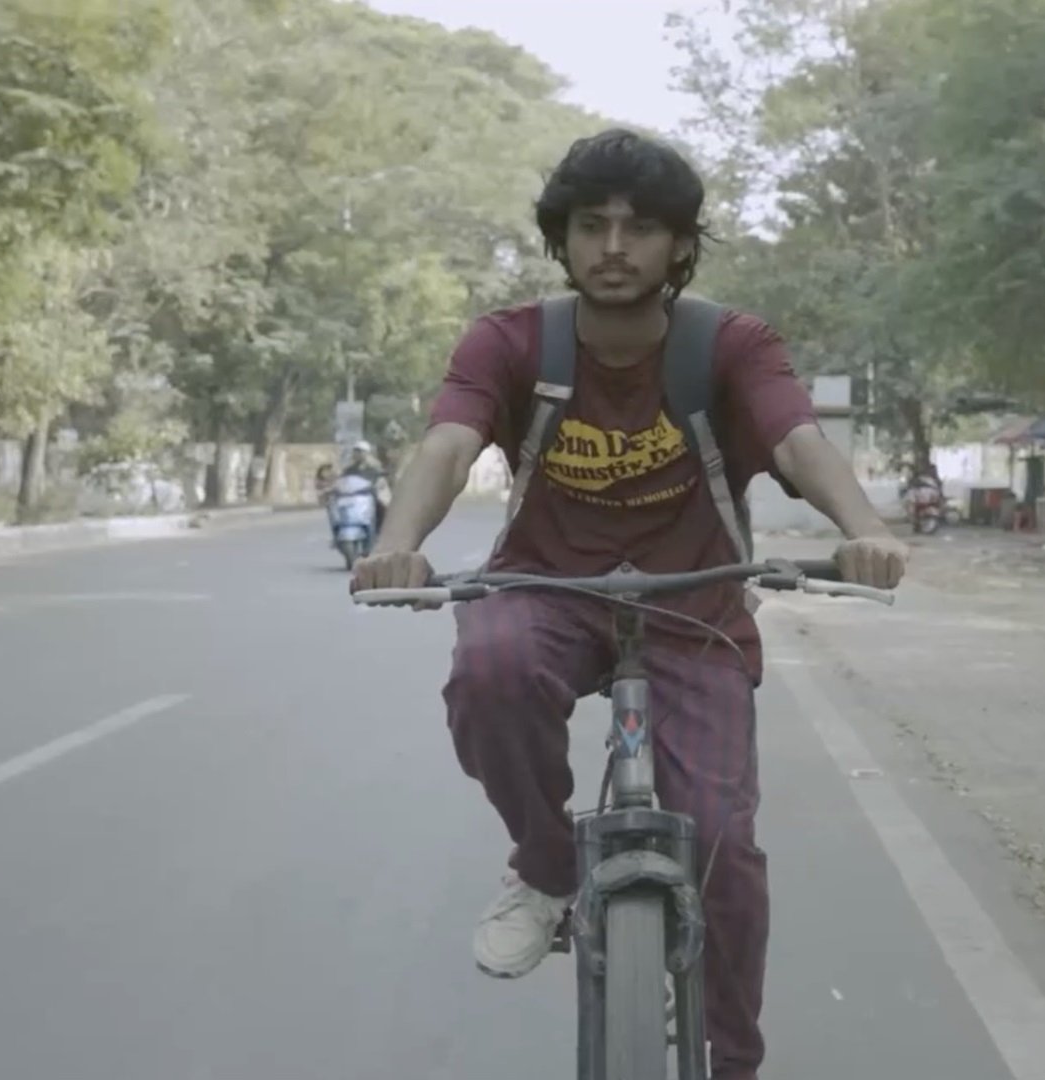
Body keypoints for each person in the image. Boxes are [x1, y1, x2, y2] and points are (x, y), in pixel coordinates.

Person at [349, 129, 908, 1080]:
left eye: (641, 227)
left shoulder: (731, 345)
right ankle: (546, 867)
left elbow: (798, 441)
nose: (614, 246)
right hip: (546, 592)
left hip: (694, 610)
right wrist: (395, 545)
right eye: (591, 225)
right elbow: (448, 445)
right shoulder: (509, 342)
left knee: (721, 842)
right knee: (489, 667)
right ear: (561, 240)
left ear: (680, 245)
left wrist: (866, 529)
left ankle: (733, 1061)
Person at [341, 440, 391, 533]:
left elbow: (381, 479)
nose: (357, 454)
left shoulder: (374, 467)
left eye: (360, 451)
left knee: (382, 506)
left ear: (367, 453)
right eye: (356, 451)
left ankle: (383, 529)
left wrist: (377, 485)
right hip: (354, 497)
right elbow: (344, 480)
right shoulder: (350, 469)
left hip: (370, 496)